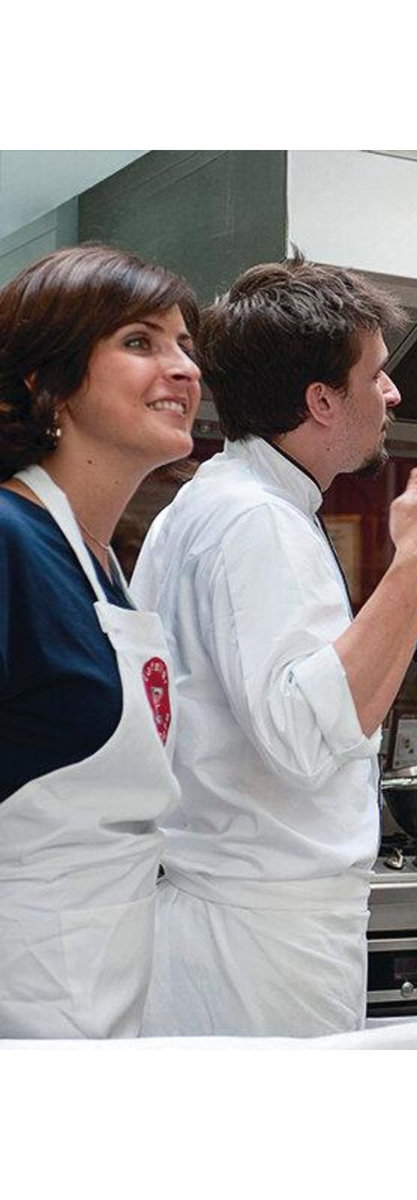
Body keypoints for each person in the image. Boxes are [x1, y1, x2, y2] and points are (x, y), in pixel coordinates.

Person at [130, 256, 417, 1036]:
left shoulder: (225, 502)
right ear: (321, 400)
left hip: (240, 919)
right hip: (259, 935)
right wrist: (416, 569)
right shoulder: (257, 520)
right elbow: (305, 735)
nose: (392, 393)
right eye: (376, 374)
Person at [0, 244, 201, 1037]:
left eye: (186, 345)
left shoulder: (101, 564)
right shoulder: (9, 542)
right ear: (46, 383)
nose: (183, 368)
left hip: (106, 998)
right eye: (141, 341)